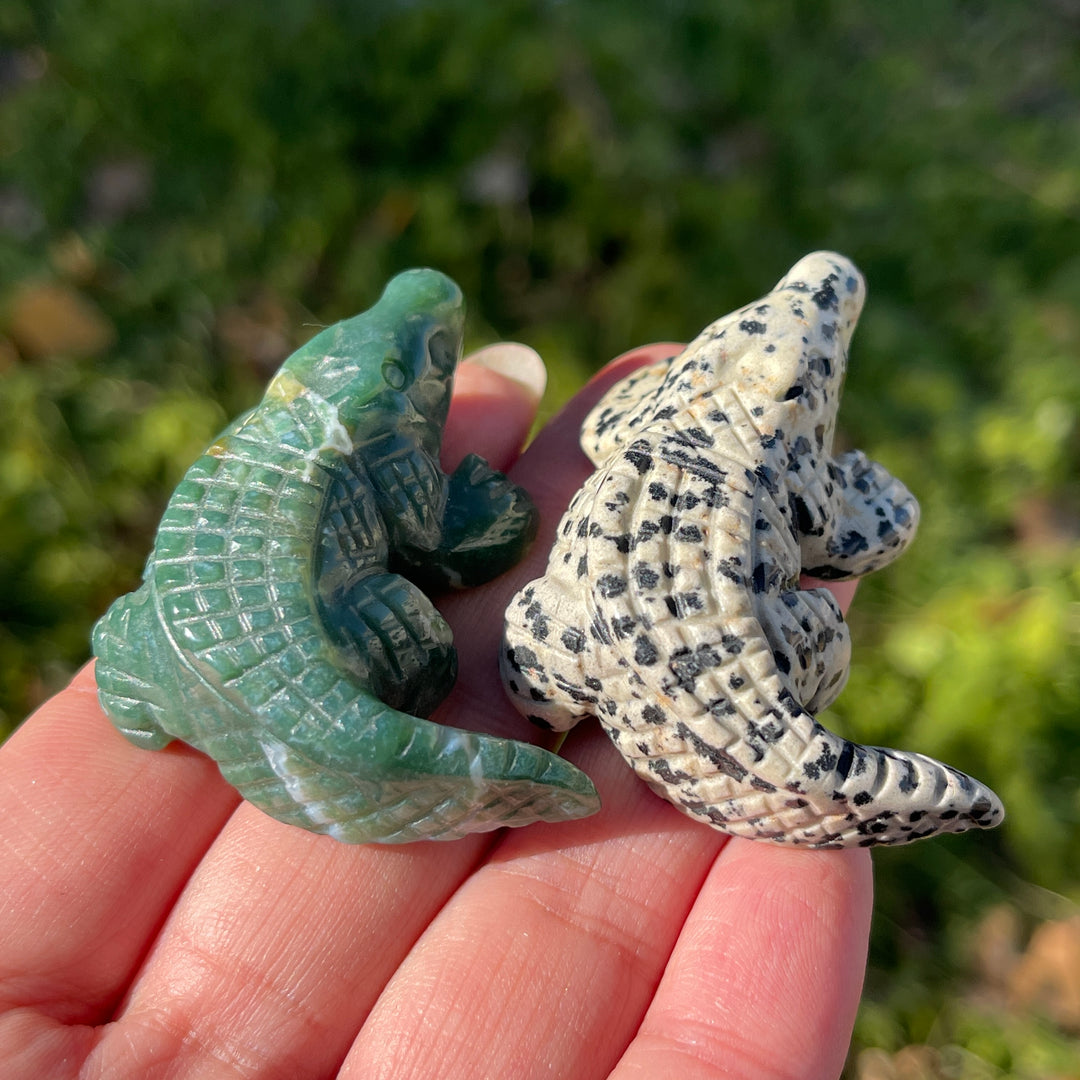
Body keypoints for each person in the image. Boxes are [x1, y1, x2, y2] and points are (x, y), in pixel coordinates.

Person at [0, 344, 870, 1080]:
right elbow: (446, 544)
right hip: (285, 640)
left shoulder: (280, 434)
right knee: (409, 647)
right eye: (426, 361)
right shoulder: (375, 450)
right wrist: (483, 525)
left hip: (178, 624)